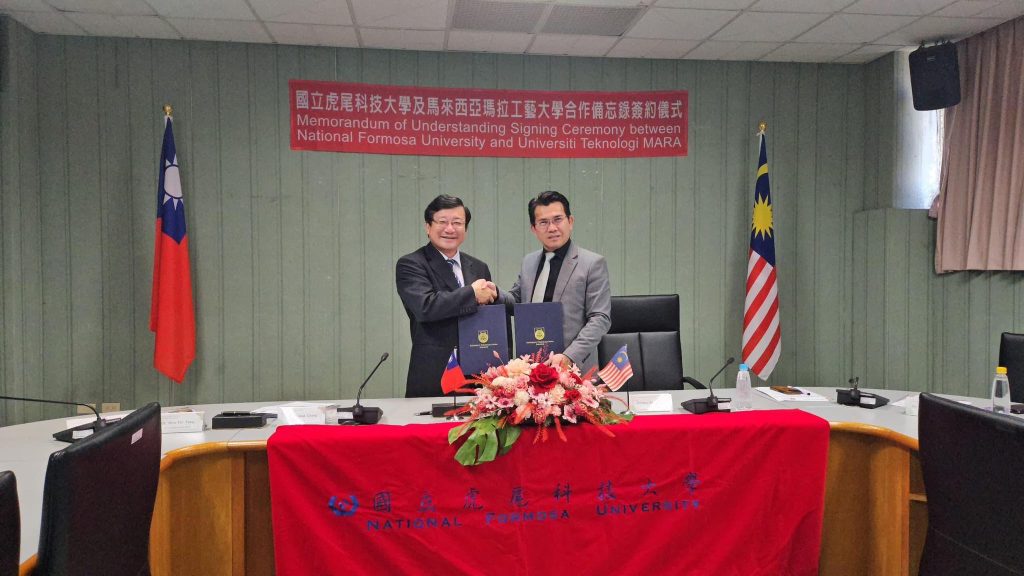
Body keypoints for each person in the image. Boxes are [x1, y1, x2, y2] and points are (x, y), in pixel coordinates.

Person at [396, 195, 497, 397]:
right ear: (428, 227)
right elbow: (426, 307)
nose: (450, 229)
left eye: (457, 223)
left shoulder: (479, 267)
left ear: (465, 229)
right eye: (442, 222)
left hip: (477, 376)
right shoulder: (411, 264)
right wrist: (472, 293)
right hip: (434, 375)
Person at [502, 191, 611, 372]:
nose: (552, 228)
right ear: (534, 229)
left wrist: (570, 356)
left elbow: (600, 318)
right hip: (531, 370)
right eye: (543, 222)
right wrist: (494, 292)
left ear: (570, 221)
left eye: (558, 219)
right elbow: (516, 302)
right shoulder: (529, 262)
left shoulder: (592, 263)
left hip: (574, 372)